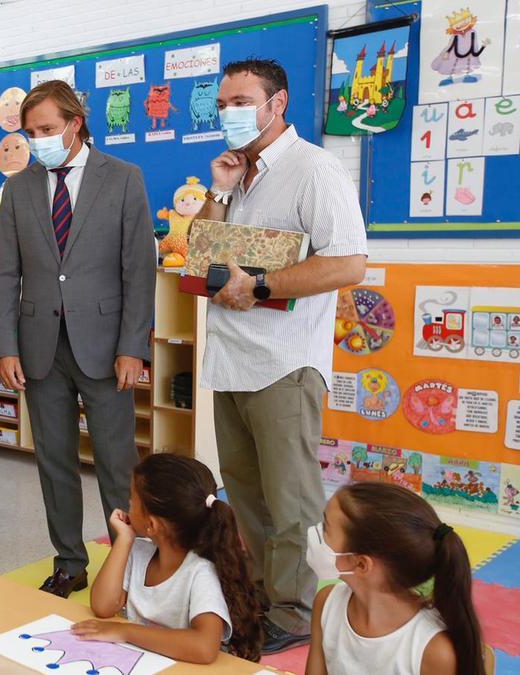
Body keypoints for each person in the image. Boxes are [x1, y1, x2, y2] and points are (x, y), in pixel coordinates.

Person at [197, 58, 368, 652]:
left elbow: (348, 263)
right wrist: (218, 192)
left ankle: (294, 615)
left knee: (290, 500)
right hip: (232, 358)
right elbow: (204, 252)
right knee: (244, 494)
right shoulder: (237, 173)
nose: (229, 114)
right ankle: (263, 601)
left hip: (286, 362)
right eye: (222, 104)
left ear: (278, 104)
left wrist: (262, 285)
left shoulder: (314, 169)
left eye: (241, 101)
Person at [0, 79, 156, 597]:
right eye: (30, 131)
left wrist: (134, 345)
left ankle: (128, 564)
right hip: (41, 346)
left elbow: (139, 269)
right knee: (54, 461)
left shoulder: (124, 178)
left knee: (116, 462)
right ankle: (69, 561)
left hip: (107, 347)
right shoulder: (19, 187)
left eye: (46, 130)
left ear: (74, 124)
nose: (36, 140)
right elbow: (5, 274)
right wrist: (6, 345)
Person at [72, 454, 261, 663]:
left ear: (151, 526)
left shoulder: (200, 572)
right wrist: (124, 540)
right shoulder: (137, 551)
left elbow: (205, 647)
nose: (127, 503)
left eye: (132, 499)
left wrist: (125, 632)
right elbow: (102, 606)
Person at [305, 483, 484, 675]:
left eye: (326, 528)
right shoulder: (327, 604)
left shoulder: (433, 650)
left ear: (361, 564)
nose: (316, 533)